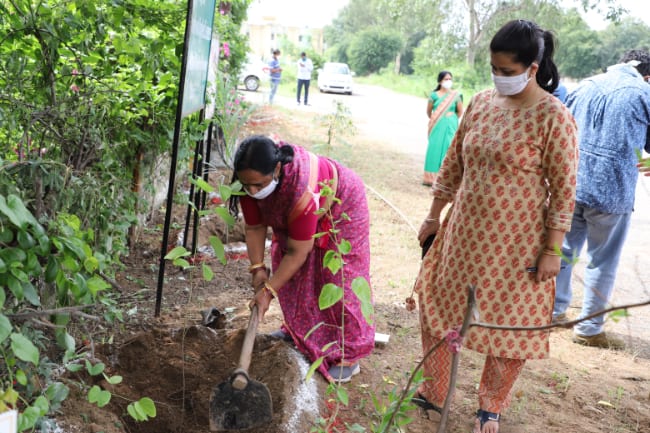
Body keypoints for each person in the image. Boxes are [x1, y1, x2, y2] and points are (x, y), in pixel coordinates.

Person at [413, 20, 577, 433]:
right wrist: (434, 216)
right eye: (494, 69)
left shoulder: (553, 117)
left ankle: (491, 406)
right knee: (437, 309)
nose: (498, 77)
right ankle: (434, 392)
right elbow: (453, 164)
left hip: (517, 245)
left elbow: (563, 190)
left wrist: (552, 250)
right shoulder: (482, 103)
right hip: (462, 235)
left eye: (507, 71)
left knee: (511, 326)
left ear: (533, 68)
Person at [229, 135, 375, 383]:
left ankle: (347, 355)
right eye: (247, 185)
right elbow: (254, 228)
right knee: (294, 277)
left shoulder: (301, 188)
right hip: (297, 212)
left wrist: (268, 291)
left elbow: (298, 251)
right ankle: (300, 334)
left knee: (338, 278)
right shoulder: (248, 181)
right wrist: (258, 271)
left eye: (258, 185)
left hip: (340, 205)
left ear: (277, 169)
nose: (252, 191)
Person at [552, 49, 650, 349]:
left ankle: (552, 311)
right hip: (612, 193)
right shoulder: (644, 93)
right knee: (601, 260)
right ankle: (589, 328)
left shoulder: (585, 84)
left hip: (572, 186)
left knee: (565, 251)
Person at [423, 71, 463, 186]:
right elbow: (428, 112)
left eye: (450, 79)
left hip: (450, 126)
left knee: (448, 148)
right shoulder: (434, 95)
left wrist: (450, 119)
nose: (448, 81)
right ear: (440, 81)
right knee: (434, 148)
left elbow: (460, 112)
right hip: (436, 126)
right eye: (446, 79)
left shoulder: (456, 96)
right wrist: (437, 119)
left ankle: (444, 179)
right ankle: (430, 178)